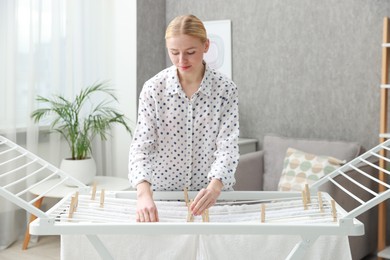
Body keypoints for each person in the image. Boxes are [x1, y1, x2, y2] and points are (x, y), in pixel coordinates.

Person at [128, 14, 239, 222]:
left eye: (190, 52)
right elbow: (141, 146)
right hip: (164, 198)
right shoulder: (153, 89)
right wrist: (143, 194)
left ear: (206, 46)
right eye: (174, 52)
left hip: (212, 198)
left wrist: (214, 188)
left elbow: (228, 147)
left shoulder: (225, 90)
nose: (181, 60)